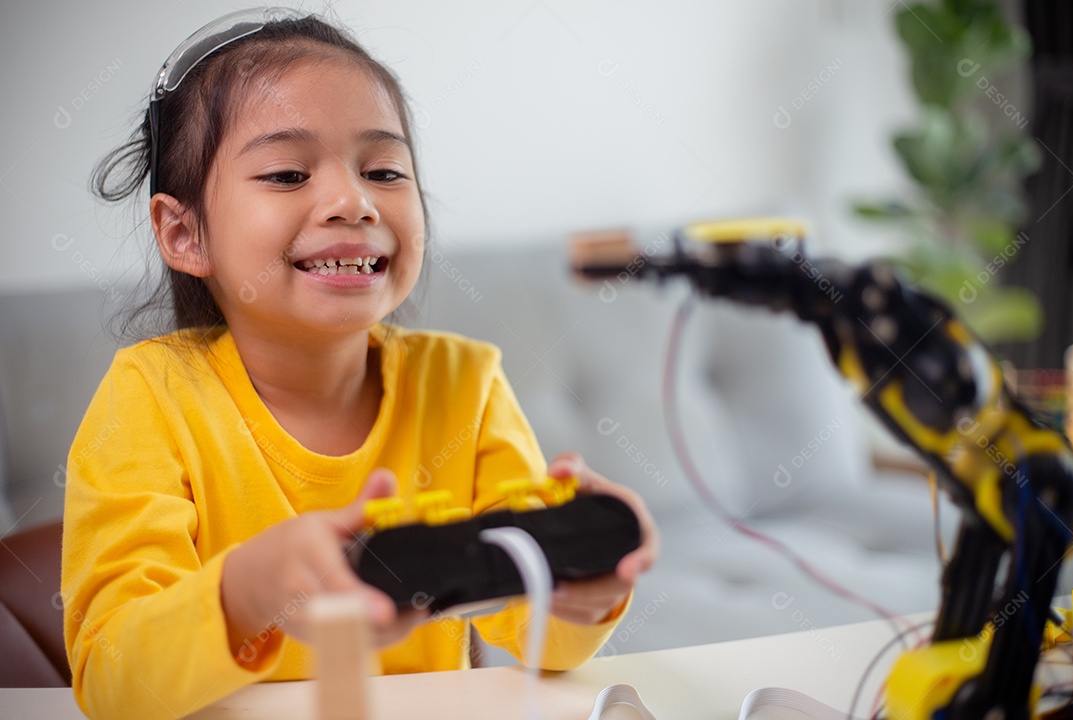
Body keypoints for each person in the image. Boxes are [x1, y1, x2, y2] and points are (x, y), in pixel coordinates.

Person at [60, 8, 658, 720]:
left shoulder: (464, 383)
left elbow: (539, 639)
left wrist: (582, 587)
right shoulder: (151, 397)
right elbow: (113, 682)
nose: (354, 200)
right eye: (286, 174)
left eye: (383, 170)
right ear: (185, 232)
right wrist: (247, 589)